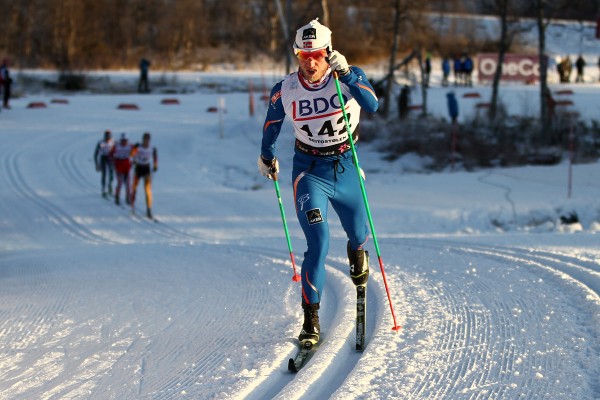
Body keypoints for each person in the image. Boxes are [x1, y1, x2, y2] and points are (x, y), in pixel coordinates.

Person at [258, 19, 378, 346]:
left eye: (317, 54)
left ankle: (357, 250)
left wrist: (349, 73)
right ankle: (311, 319)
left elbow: (373, 105)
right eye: (303, 54)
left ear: (329, 52)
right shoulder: (286, 88)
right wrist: (266, 155)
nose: (310, 62)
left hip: (346, 167)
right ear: (297, 54)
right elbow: (272, 124)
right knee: (319, 242)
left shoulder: (348, 78)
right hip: (309, 172)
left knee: (358, 232)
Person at [130, 132, 158, 219]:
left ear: (149, 140)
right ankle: (132, 207)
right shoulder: (138, 147)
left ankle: (149, 209)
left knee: (147, 190)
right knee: (134, 188)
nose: (146, 141)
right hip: (138, 168)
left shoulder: (152, 148)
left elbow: (155, 157)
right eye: (144, 139)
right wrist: (134, 149)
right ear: (142, 139)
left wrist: (155, 165)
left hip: (146, 169)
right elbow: (131, 155)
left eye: (147, 140)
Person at [110, 133, 133, 206]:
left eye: (125, 140)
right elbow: (110, 154)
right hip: (118, 166)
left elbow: (136, 151)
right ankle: (117, 197)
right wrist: (112, 161)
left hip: (126, 166)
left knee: (127, 183)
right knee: (119, 183)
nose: (124, 142)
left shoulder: (130, 146)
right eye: (122, 140)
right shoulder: (116, 146)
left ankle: (128, 198)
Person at [94, 130, 115, 197]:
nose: (108, 139)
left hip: (110, 158)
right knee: (104, 174)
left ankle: (110, 187)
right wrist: (97, 164)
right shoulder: (101, 143)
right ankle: (103, 190)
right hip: (104, 158)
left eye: (109, 137)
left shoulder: (112, 142)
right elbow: (96, 154)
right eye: (106, 137)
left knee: (111, 174)